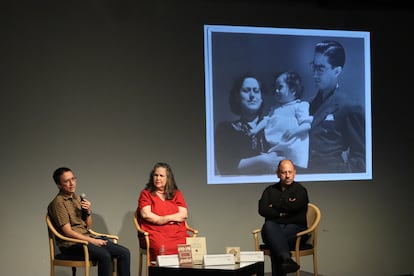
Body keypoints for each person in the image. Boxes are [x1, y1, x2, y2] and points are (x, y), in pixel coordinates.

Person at [47, 167, 131, 276]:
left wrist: (88, 212)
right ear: (58, 185)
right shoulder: (58, 203)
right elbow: (68, 232)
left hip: (86, 240)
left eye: (73, 179)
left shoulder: (77, 199)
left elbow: (87, 226)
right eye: (67, 181)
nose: (72, 183)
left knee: (124, 252)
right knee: (104, 255)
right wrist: (91, 241)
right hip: (71, 245)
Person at [308, 40, 365, 173]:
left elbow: (361, 158)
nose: (315, 74)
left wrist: (340, 174)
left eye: (320, 69)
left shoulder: (350, 107)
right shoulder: (308, 105)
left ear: (337, 71)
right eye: (313, 67)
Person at [214, 74, 281, 175]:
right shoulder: (226, 129)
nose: (252, 95)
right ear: (237, 96)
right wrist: (263, 160)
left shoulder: (275, 126)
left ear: (261, 97)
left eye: (256, 91)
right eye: (246, 90)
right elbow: (226, 166)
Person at [250, 71, 313, 170]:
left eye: (280, 87)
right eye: (275, 88)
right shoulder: (275, 109)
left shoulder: (299, 106)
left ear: (293, 90)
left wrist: (294, 131)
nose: (276, 91)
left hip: (292, 147)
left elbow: (307, 125)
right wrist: (255, 130)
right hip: (277, 146)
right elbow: (266, 120)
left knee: (291, 167)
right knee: (275, 164)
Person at [258, 159, 309, 276]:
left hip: (296, 231)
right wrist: (285, 211)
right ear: (277, 173)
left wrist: (274, 206)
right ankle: (286, 260)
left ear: (294, 173)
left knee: (274, 241)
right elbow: (263, 210)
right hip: (273, 229)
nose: (287, 176)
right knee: (269, 225)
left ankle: (285, 258)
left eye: (290, 172)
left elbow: (295, 208)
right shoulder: (269, 190)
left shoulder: (301, 191)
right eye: (284, 172)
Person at [137, 162, 189, 262]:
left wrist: (162, 219)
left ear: (168, 178)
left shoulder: (176, 193)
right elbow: (146, 214)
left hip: (177, 233)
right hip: (155, 232)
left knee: (190, 246)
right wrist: (170, 219)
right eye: (155, 175)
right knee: (161, 246)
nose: (158, 178)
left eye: (161, 176)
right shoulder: (146, 193)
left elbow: (183, 214)